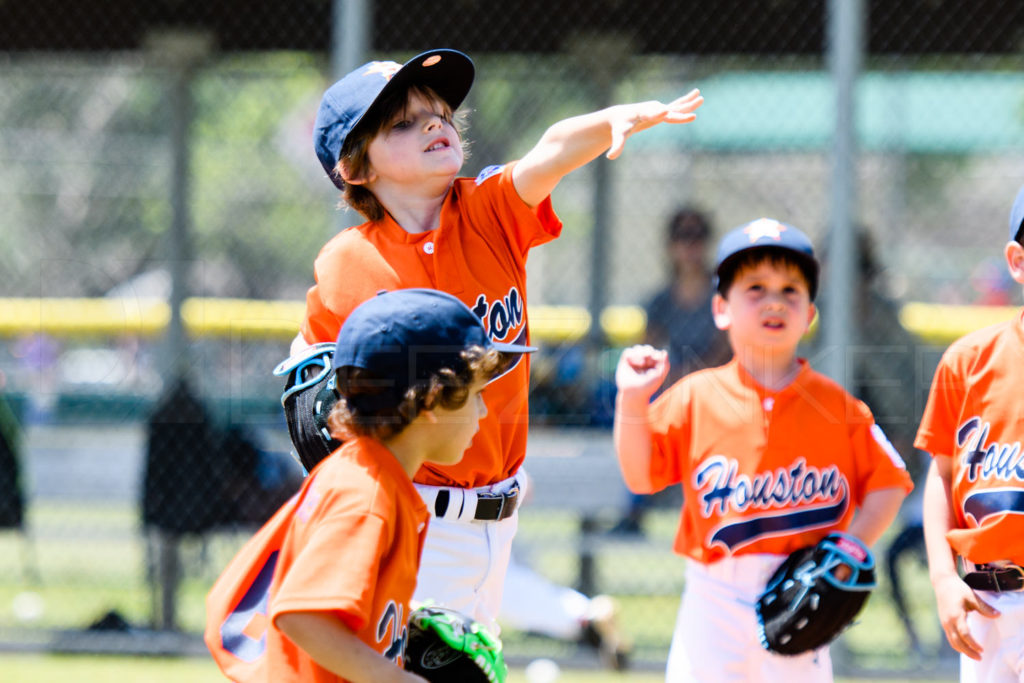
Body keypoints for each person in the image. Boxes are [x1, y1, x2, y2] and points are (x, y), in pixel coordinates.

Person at [295, 48, 705, 633]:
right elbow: (313, 381)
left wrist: (612, 119)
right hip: (412, 517)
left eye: (438, 112)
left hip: (500, 516)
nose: (434, 124)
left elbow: (552, 150)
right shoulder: (346, 266)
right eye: (403, 123)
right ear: (357, 169)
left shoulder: (488, 212)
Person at [613, 218, 913, 682]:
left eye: (791, 290)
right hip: (714, 600)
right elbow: (639, 476)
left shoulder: (837, 407)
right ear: (721, 309)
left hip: (803, 592)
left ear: (810, 313)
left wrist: (849, 545)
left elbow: (889, 483)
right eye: (755, 287)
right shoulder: (696, 397)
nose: (774, 300)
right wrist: (632, 400)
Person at [205, 288, 534, 682]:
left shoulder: (374, 477)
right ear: (431, 399)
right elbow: (300, 614)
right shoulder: (366, 495)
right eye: (476, 394)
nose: (483, 412)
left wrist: (400, 620)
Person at [917, 184, 1024, 681]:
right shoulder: (967, 362)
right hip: (983, 601)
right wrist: (943, 577)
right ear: (1018, 261)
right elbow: (941, 477)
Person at [609, 206, 729, 535]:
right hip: (671, 390)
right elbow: (647, 350)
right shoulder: (661, 300)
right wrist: (669, 376)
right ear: (670, 245)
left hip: (715, 392)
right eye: (682, 237)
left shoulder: (722, 294)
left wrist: (684, 376)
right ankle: (634, 512)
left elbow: (722, 353)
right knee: (632, 408)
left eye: (696, 237)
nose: (689, 246)